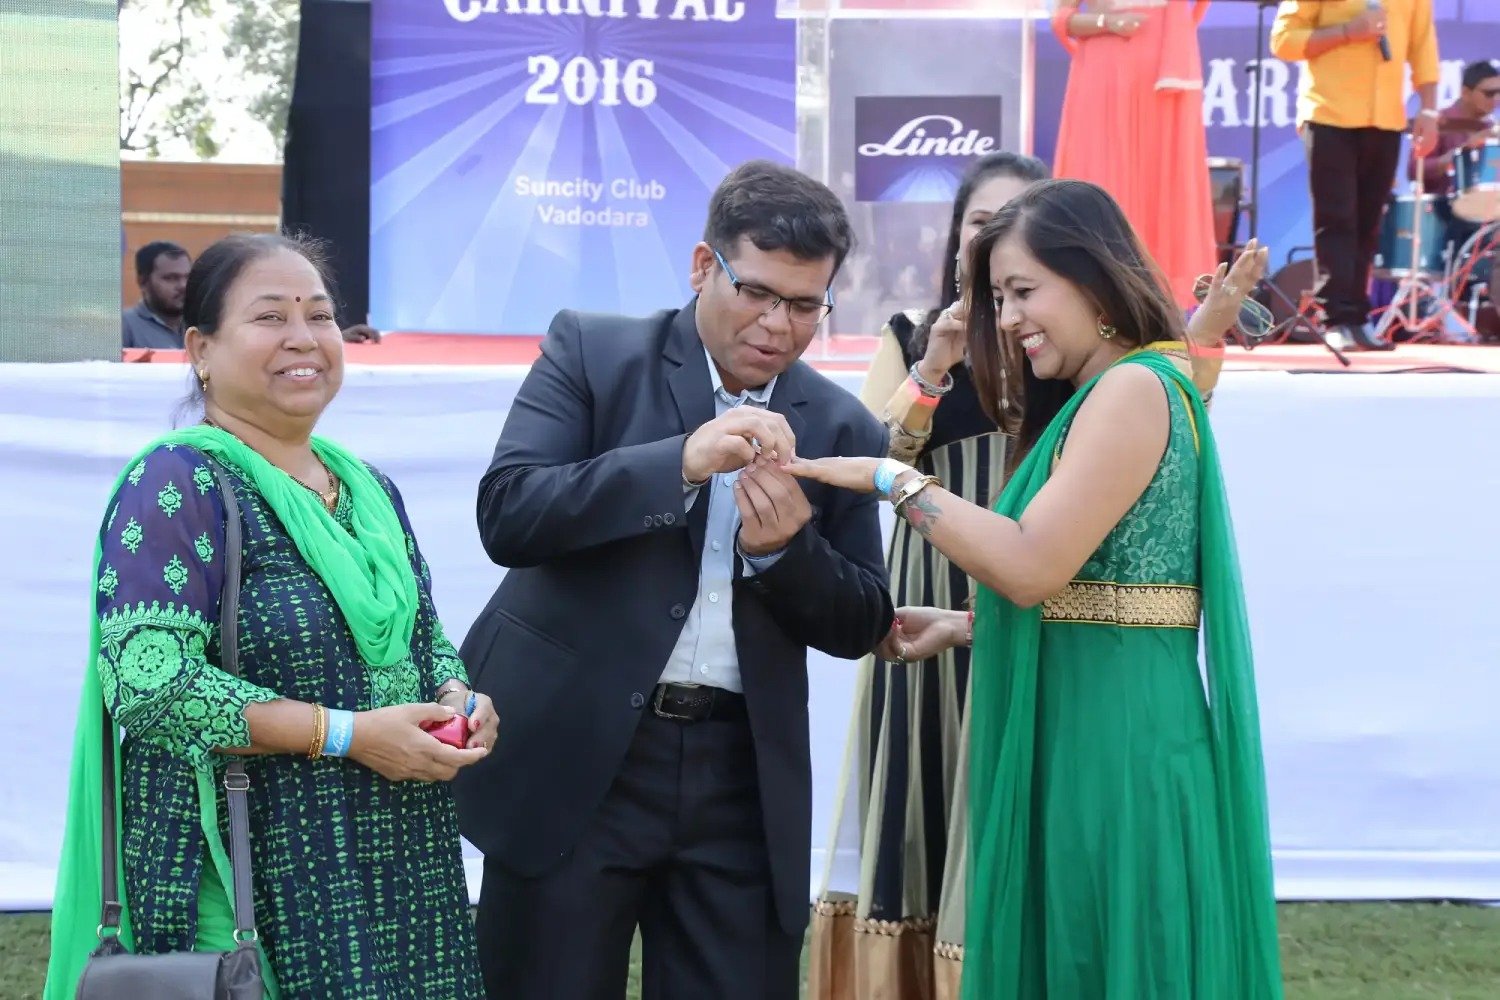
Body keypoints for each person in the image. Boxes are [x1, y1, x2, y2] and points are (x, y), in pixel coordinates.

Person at [788, 179, 1282, 998]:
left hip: (1115, 744)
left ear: (1092, 279)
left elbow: (1029, 564)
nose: (1008, 318)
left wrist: (890, 480)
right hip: (1094, 725)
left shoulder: (1132, 389)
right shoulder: (1120, 388)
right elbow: (1108, 588)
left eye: (1023, 291)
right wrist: (958, 626)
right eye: (996, 297)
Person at [454, 160, 894, 1000]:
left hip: (740, 773)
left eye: (805, 305)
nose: (777, 325)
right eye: (757, 292)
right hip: (580, 757)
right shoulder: (593, 350)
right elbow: (508, 514)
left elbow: (859, 621)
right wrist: (677, 466)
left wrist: (787, 552)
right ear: (703, 266)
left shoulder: (841, 421)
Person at [47, 233, 493, 999]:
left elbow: (426, 641)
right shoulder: (179, 483)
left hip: (400, 869)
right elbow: (151, 683)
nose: (304, 339)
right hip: (251, 877)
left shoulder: (369, 491)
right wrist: (347, 734)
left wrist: (460, 701)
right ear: (201, 350)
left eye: (320, 316)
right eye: (270, 317)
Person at [1272, 0, 1441, 351]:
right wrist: (1347, 32)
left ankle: (1358, 319)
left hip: (1386, 119)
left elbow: (1423, 45)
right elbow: (1283, 41)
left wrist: (1428, 108)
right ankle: (1335, 318)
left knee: (1368, 223)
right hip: (1329, 113)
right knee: (1336, 219)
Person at [1051, 0, 1217, 308]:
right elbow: (1063, 18)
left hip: (1163, 71)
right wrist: (1107, 22)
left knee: (1164, 182)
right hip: (1106, 72)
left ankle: (1163, 303)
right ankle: (1099, 294)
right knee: (1102, 178)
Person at [1410, 60, 1500, 275]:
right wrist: (1463, 151)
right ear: (1466, 92)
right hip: (1443, 216)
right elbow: (1413, 169)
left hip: (1486, 216)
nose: (1496, 99)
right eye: (1489, 93)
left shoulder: (1490, 128)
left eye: (1499, 93)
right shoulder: (1439, 123)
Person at [122, 240, 191, 349]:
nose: (183, 285)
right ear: (143, 282)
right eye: (171, 278)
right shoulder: (124, 328)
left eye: (188, 277)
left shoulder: (204, 327)